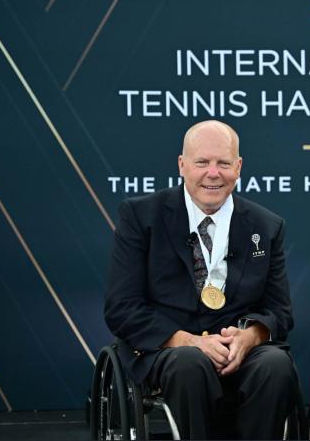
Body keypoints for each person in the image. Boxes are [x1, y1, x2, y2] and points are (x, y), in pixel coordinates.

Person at [104, 120, 298, 439]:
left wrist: (248, 338)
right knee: (190, 364)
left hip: (239, 350)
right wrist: (191, 341)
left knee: (275, 365)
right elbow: (121, 308)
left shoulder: (267, 225)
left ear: (238, 167)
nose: (213, 173)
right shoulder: (141, 217)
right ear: (182, 165)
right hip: (169, 350)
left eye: (223, 163)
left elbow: (280, 311)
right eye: (202, 162)